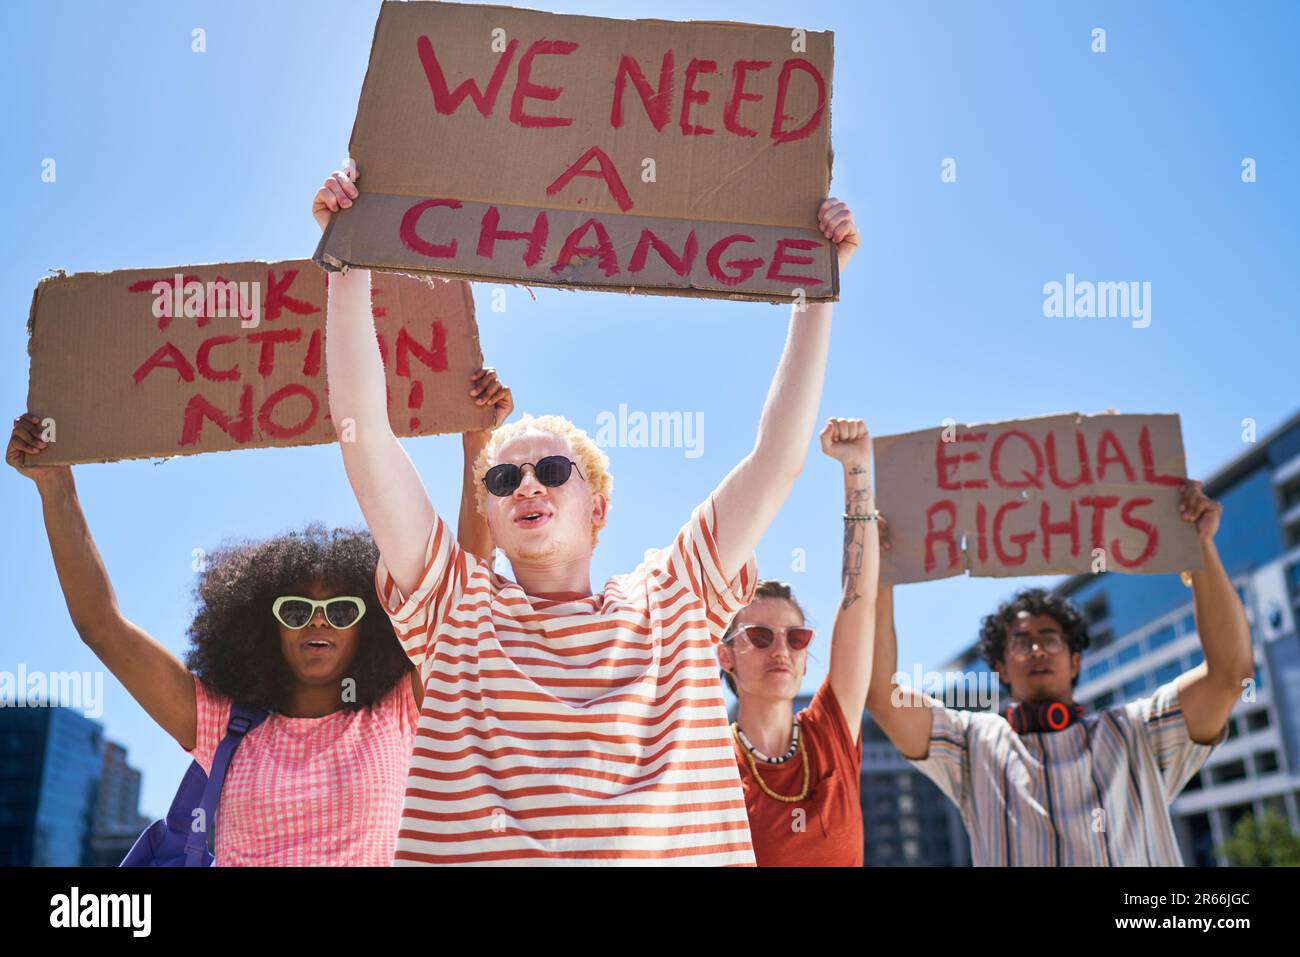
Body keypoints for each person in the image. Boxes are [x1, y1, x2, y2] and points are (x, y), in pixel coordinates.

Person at [314, 163, 860, 865]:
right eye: (505, 476)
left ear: (597, 506)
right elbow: (365, 437)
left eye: (550, 470)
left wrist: (819, 292)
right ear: (487, 510)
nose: (526, 485)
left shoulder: (675, 594)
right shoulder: (455, 609)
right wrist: (344, 262)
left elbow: (778, 458)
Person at [6, 368, 513, 866]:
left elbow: (462, 596)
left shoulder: (400, 710)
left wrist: (478, 445)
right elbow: (101, 626)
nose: (319, 623)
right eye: (296, 611)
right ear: (265, 629)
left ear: (371, 627)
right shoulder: (222, 725)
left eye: (340, 610)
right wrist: (55, 487)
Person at [866, 482, 1253, 865]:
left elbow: (1228, 675)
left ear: (1075, 661)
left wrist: (1199, 547)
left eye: (1049, 639)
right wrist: (882, 571)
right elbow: (882, 697)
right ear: (1000, 667)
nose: (1036, 650)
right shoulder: (972, 745)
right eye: (1020, 642)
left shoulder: (1137, 732)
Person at [719, 417, 878, 866]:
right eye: (761, 636)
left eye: (797, 637)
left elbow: (858, 601)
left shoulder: (831, 730)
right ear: (725, 656)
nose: (782, 650)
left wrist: (857, 471)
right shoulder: (711, 762)